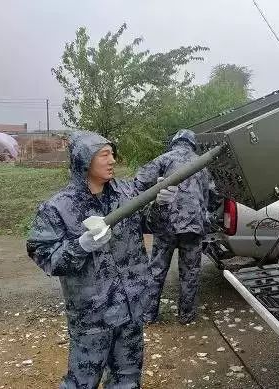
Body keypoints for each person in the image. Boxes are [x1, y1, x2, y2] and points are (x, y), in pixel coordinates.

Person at [26, 130, 176, 389]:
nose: (112, 160)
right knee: (82, 381)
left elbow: (151, 226)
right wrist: (80, 246)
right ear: (85, 160)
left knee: (127, 378)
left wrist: (161, 206)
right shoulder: (58, 207)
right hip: (93, 315)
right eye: (104, 154)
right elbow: (43, 254)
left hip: (131, 306)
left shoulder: (125, 193)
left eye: (113, 154)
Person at [139, 129, 218, 325]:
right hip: (193, 228)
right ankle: (186, 316)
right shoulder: (203, 164)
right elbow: (215, 196)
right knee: (190, 273)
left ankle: (149, 316)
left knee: (156, 271)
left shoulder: (164, 159)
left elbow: (139, 181)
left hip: (165, 226)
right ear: (192, 144)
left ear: (175, 142)